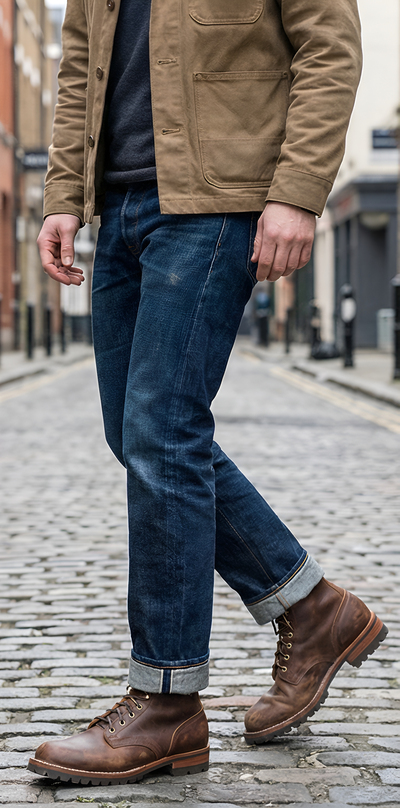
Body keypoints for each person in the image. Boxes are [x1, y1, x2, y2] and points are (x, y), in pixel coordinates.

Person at [28, 0, 387, 788]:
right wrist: (62, 195)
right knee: (140, 435)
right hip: (117, 204)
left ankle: (166, 700)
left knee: (161, 429)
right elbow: (81, 66)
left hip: (217, 198)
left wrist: (297, 189)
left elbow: (328, 46)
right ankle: (315, 610)